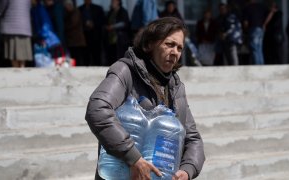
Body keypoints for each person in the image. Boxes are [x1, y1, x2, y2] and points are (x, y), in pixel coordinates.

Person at [85, 17, 205, 180]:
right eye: (169, 44)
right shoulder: (125, 72)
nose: (175, 52)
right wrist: (133, 158)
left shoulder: (176, 88)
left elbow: (192, 139)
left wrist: (187, 170)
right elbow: (97, 109)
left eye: (179, 48)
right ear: (149, 44)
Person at [0, 0, 33, 68]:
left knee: (13, 53)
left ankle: (16, 69)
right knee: (23, 53)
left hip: (12, 27)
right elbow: (29, 7)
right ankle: (22, 67)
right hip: (25, 27)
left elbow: (1, 8)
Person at [79, 0, 106, 66]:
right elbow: (78, 22)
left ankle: (98, 67)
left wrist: (94, 24)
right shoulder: (80, 9)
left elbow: (103, 21)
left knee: (96, 54)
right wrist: (85, 24)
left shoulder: (98, 8)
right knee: (85, 54)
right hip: (84, 36)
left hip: (96, 35)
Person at [242, 0, 269, 65]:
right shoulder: (262, 7)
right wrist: (264, 24)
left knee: (254, 48)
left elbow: (245, 22)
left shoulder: (248, 7)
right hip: (260, 29)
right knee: (259, 48)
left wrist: (245, 31)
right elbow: (269, 14)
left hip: (253, 29)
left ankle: (257, 66)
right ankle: (261, 65)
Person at [105, 0, 130, 65]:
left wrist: (112, 27)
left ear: (118, 2)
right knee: (112, 56)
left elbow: (124, 23)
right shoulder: (111, 12)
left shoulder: (123, 11)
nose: (112, 3)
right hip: (111, 39)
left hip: (120, 39)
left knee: (120, 56)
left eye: (114, 1)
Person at [64, 0, 86, 66]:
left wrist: (64, 26)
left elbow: (73, 24)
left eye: (66, 7)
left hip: (77, 41)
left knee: (78, 57)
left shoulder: (76, 12)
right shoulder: (69, 13)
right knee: (74, 56)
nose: (66, 8)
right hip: (72, 41)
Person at [263, 0, 284, 64]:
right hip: (270, 37)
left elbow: (273, 24)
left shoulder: (278, 13)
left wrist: (272, 12)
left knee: (278, 53)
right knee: (270, 53)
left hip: (276, 36)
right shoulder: (267, 13)